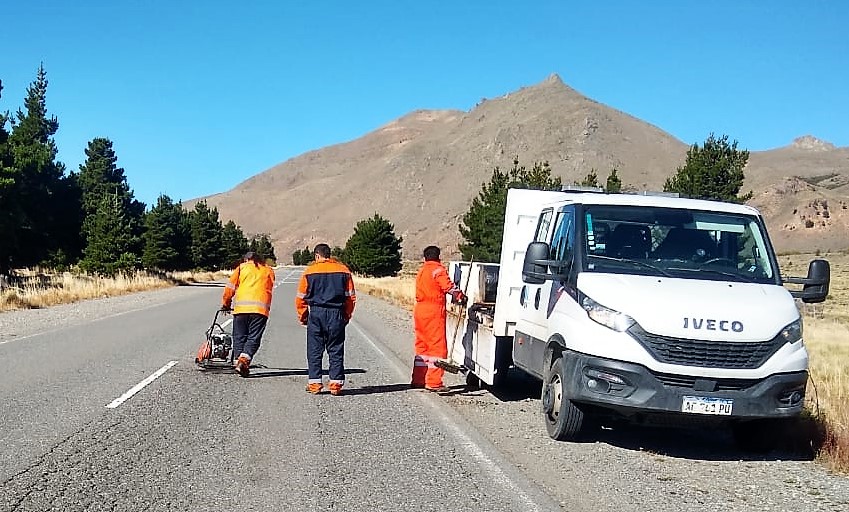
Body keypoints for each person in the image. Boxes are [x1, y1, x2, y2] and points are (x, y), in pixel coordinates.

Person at [295, 243, 356, 396]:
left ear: (317, 255)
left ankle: (315, 384)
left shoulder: (309, 271)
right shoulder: (343, 270)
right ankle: (335, 384)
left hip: (316, 313)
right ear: (329, 254)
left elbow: (300, 298)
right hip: (336, 313)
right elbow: (350, 297)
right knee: (335, 349)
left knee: (315, 350)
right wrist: (346, 315)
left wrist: (303, 316)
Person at [411, 245, 466, 393]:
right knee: (437, 346)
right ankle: (434, 382)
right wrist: (460, 295)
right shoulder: (438, 269)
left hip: (420, 310)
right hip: (433, 310)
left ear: (425, 257)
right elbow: (448, 287)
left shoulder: (422, 270)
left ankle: (418, 379)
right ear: (438, 256)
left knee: (422, 346)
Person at [221, 251, 276, 377]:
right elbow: (270, 285)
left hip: (241, 309)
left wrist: (226, 304)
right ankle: (243, 362)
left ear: (246, 259)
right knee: (253, 338)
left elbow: (230, 288)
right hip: (260, 310)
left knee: (239, 336)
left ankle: (239, 362)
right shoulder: (268, 270)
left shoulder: (241, 268)